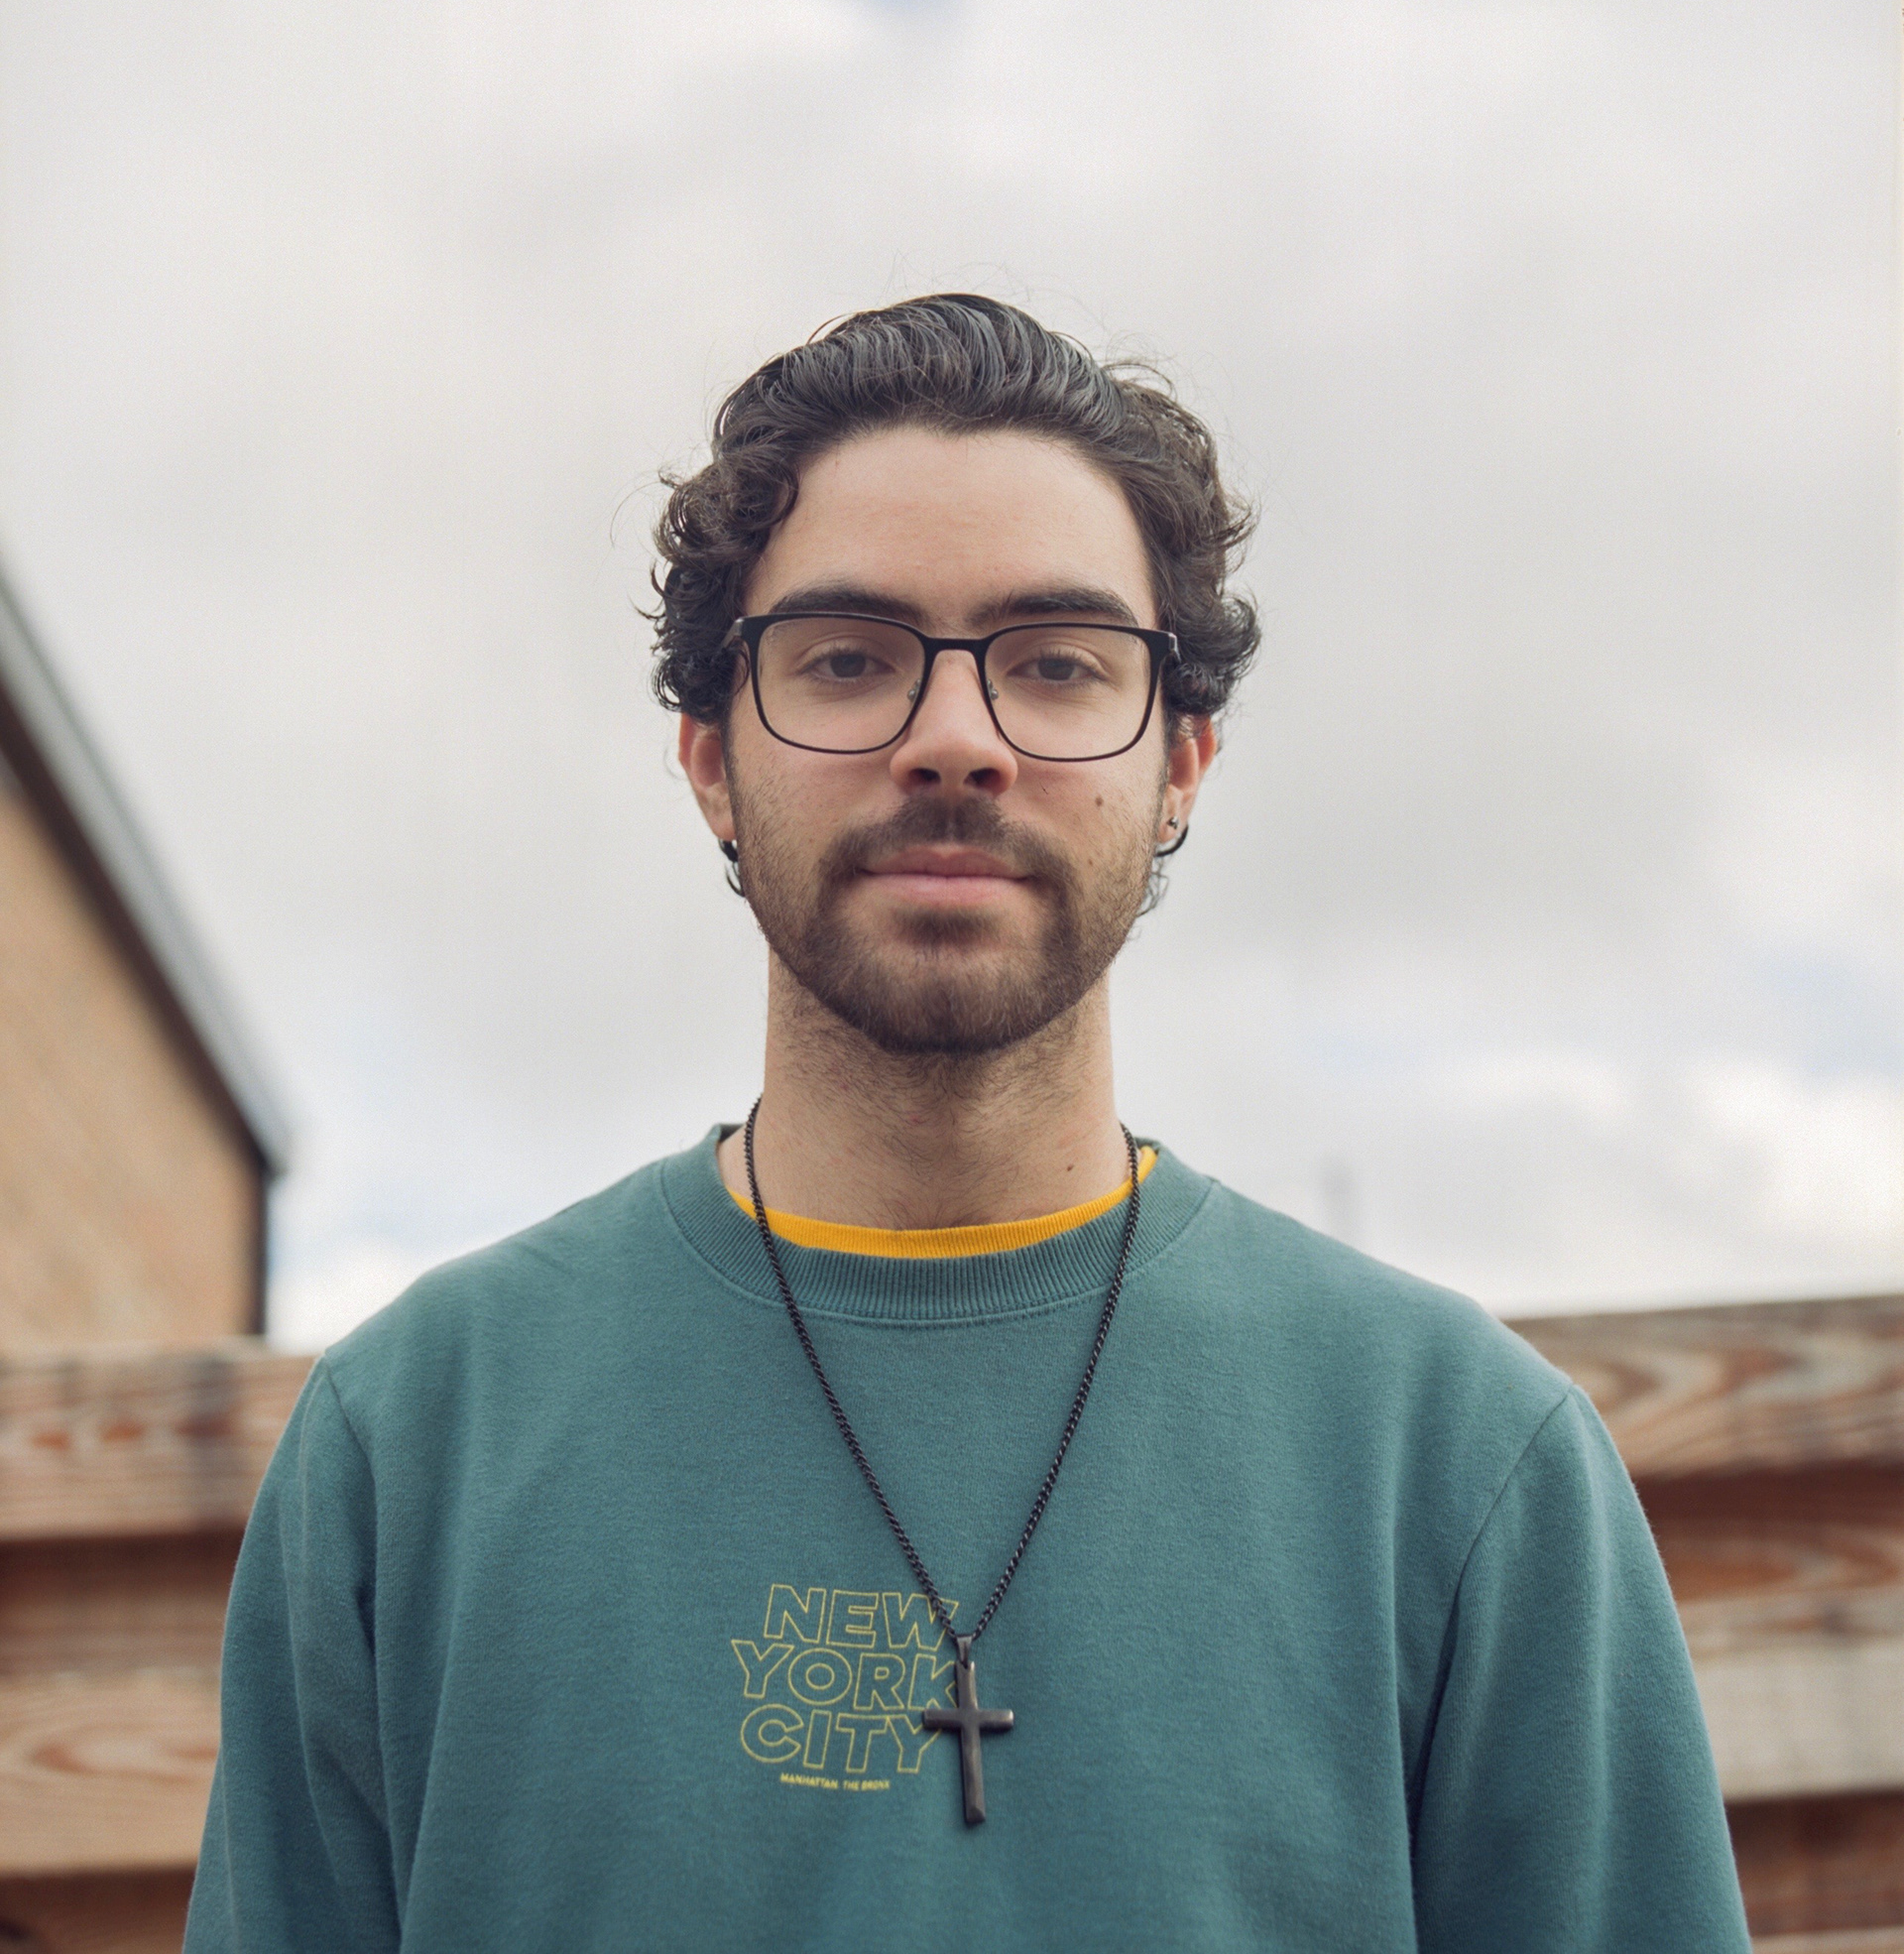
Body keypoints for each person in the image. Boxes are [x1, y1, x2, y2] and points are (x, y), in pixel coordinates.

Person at [185, 295, 1750, 1952]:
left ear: (1183, 762)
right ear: (711, 761)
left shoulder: (1464, 1462)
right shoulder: (410, 1445)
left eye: (1057, 665)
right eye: (848, 659)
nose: (954, 740)